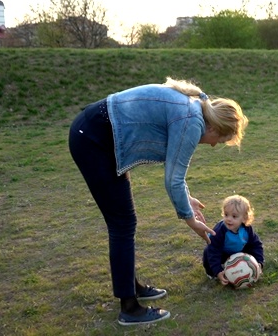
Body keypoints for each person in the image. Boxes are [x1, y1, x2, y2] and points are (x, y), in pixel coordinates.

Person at [68, 77, 248, 325]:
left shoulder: (193, 109)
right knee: (122, 223)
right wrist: (190, 221)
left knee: (124, 222)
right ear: (216, 128)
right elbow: (173, 180)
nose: (215, 144)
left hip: (98, 135)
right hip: (93, 139)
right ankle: (129, 308)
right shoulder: (192, 121)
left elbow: (175, 171)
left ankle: (131, 287)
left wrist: (188, 199)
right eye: (220, 140)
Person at [203, 195, 264, 285]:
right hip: (222, 253)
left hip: (239, 251)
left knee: (251, 248)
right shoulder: (219, 231)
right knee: (208, 252)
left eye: (234, 216)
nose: (228, 219)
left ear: (244, 218)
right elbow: (214, 251)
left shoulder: (247, 229)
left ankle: (248, 268)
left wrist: (259, 262)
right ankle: (213, 273)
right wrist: (217, 271)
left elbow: (256, 245)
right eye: (226, 214)